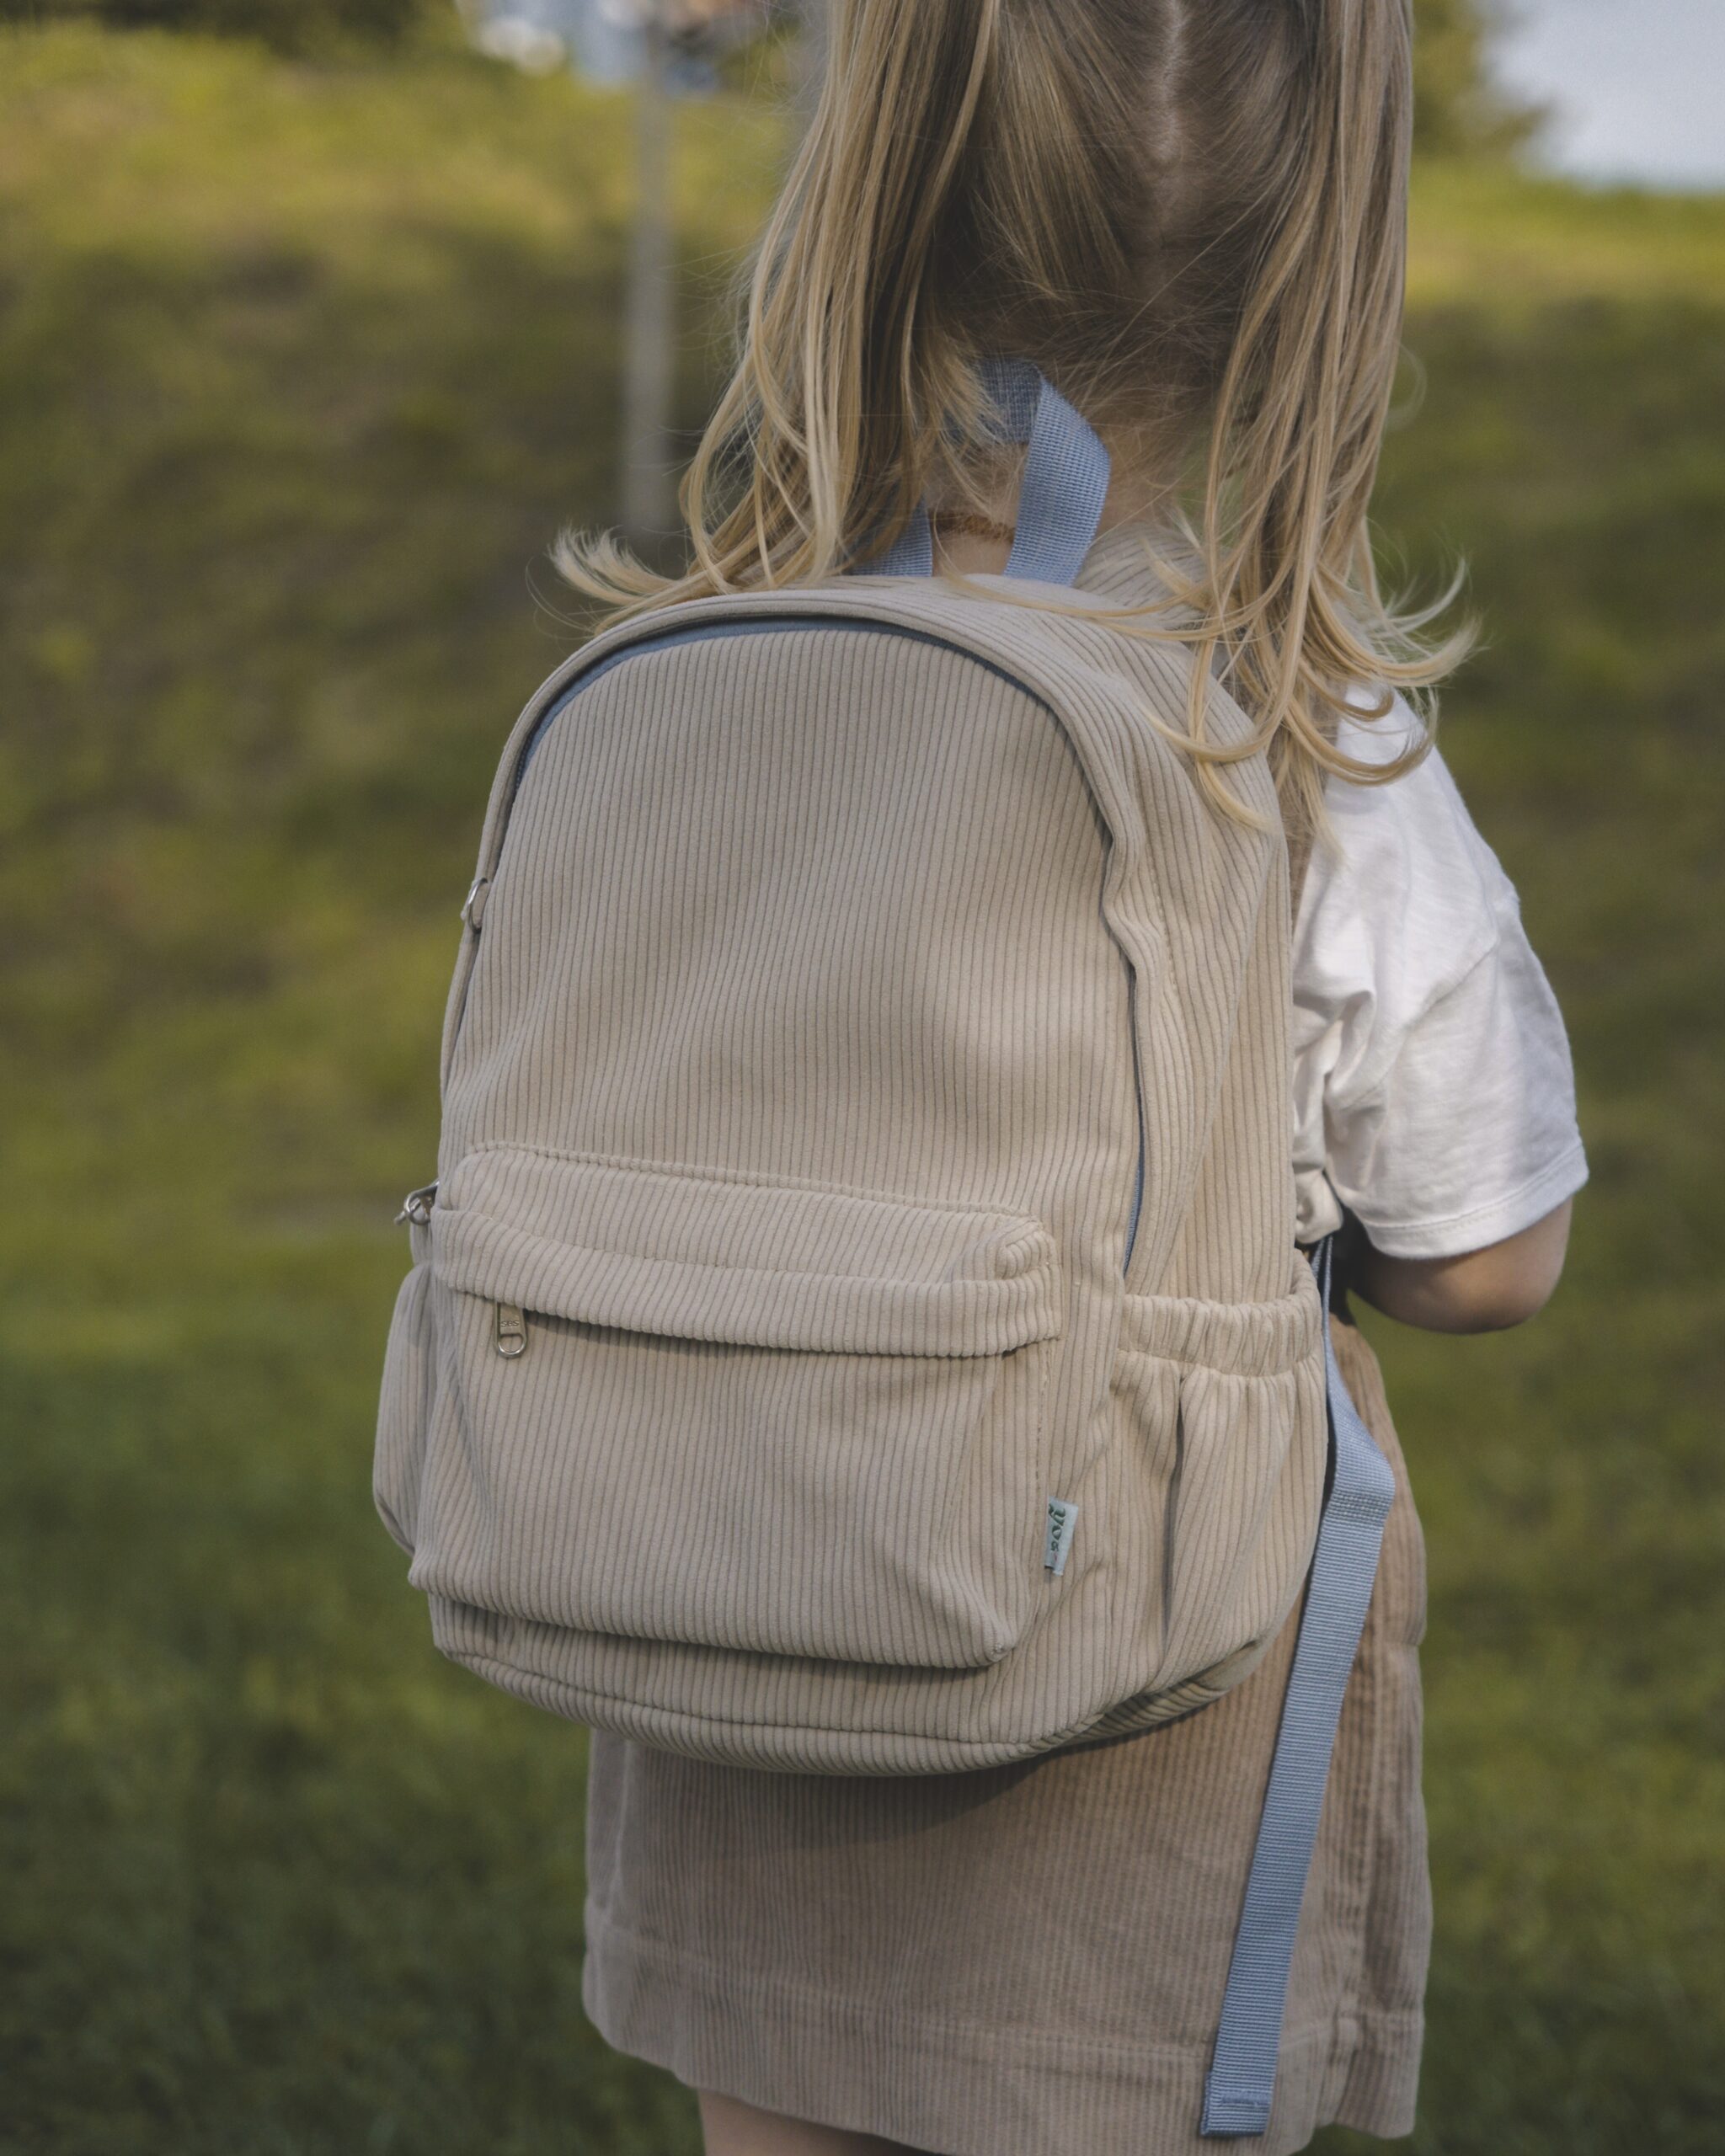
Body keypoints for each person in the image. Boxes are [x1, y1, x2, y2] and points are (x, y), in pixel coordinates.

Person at [558, 3, 1587, 2149]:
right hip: (1129, 1681)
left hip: (746, 1609)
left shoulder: (735, 664)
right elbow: (1491, 1263)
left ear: (871, 211)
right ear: (1329, 269)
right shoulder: (1291, 738)